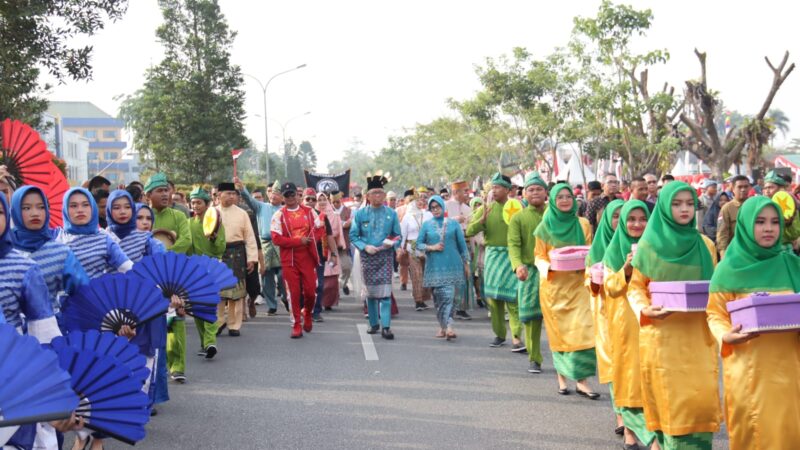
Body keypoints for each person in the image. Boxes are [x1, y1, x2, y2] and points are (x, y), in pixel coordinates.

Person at [628, 181, 721, 449]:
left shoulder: (706, 245)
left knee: (698, 404)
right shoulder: (649, 246)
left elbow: (715, 286)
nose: (684, 209)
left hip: (698, 337)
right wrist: (644, 309)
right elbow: (635, 288)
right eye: (677, 204)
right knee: (669, 406)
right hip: (662, 336)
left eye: (689, 204)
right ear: (665, 208)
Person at [706, 196, 800, 449]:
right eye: (760, 222)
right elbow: (715, 314)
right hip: (747, 369)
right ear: (746, 225)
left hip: (791, 370)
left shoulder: (793, 265)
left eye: (774, 222)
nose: (768, 228)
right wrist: (725, 334)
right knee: (754, 437)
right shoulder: (728, 269)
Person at [534, 183, 598, 398]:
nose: (564, 200)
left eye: (567, 196)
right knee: (560, 335)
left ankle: (582, 380)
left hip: (579, 285)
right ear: (552, 200)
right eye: (559, 197)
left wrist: (587, 262)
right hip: (554, 288)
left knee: (584, 331)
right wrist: (550, 266)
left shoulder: (583, 224)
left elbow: (591, 250)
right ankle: (561, 376)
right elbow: (539, 256)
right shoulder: (545, 227)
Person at [601, 200, 655, 449]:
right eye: (631, 219)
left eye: (642, 219)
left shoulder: (657, 245)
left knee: (650, 374)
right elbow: (609, 288)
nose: (637, 224)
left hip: (652, 317)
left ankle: (653, 429)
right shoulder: (613, 251)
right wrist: (627, 267)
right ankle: (630, 431)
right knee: (628, 375)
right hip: (624, 321)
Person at [9, 186, 88, 333]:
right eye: (26, 208)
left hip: (52, 333)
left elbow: (82, 295)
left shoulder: (61, 253)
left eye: (40, 207)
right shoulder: (6, 252)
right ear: (15, 211)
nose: (35, 213)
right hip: (12, 339)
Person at [467, 173, 524, 350]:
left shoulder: (516, 208)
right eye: (493, 187)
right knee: (494, 300)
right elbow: (469, 230)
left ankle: (516, 337)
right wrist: (481, 220)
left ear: (508, 190)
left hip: (511, 256)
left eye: (498, 187)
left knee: (513, 298)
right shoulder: (485, 208)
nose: (495, 190)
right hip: (492, 257)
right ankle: (499, 334)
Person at [585, 199, 624, 426]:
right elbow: (588, 284)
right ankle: (621, 415)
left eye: (624, 215)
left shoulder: (644, 246)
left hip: (636, 315)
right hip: (606, 313)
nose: (621, 221)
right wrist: (596, 280)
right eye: (616, 216)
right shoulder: (598, 247)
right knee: (614, 363)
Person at [349, 173, 402, 340]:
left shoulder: (391, 214)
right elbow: (353, 235)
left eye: (380, 192)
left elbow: (397, 235)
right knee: (371, 294)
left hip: (385, 256)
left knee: (385, 293)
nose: (378, 196)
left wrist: (391, 243)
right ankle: (373, 323)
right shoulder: (360, 214)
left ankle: (386, 327)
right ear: (368, 196)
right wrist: (365, 246)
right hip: (368, 256)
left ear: (385, 195)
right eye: (374, 193)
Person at [271, 182, 326, 338]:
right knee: (293, 293)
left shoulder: (309, 212)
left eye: (292, 194)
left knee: (310, 292)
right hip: (289, 260)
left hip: (307, 257)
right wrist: (297, 242)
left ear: (298, 195)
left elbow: (320, 228)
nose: (290, 198)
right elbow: (276, 238)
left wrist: (310, 239)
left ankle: (307, 312)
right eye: (287, 195)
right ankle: (296, 324)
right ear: (283, 197)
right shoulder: (279, 215)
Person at [507, 172, 548, 373]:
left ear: (546, 192)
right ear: (524, 194)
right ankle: (535, 357)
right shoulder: (518, 218)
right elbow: (513, 245)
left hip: (555, 272)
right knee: (532, 318)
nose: (535, 193)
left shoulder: (554, 214)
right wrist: (518, 266)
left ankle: (565, 359)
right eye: (530, 190)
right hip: (530, 272)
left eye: (539, 189)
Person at [416, 195, 470, 340]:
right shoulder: (427, 225)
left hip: (453, 266)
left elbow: (462, 245)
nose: (435, 210)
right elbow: (418, 244)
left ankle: (449, 327)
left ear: (443, 207)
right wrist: (431, 247)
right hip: (434, 268)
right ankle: (442, 326)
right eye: (432, 208)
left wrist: (466, 263)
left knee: (450, 298)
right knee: (439, 300)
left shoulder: (453, 224)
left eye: (438, 207)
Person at [55, 187, 133, 279]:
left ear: (92, 207)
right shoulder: (57, 237)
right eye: (73, 206)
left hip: (96, 292)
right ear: (65, 210)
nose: (80, 210)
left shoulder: (103, 239)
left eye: (85, 205)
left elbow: (128, 267)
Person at [187, 187, 226, 358]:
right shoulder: (188, 224)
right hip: (193, 271)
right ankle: (205, 343)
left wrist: (214, 237)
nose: (195, 205)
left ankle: (211, 341)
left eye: (198, 202)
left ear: (207, 204)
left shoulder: (216, 223)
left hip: (212, 268)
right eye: (193, 202)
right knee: (196, 309)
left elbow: (221, 248)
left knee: (209, 306)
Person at [215, 182, 258, 337]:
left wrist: (252, 258)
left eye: (234, 194)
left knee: (238, 291)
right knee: (218, 291)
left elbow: (250, 237)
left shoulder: (242, 213)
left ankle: (234, 324)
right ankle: (219, 322)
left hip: (238, 253)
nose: (232, 196)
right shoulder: (212, 212)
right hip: (218, 253)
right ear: (219, 195)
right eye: (228, 193)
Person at [239, 180, 285, 315]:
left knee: (283, 275)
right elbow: (248, 199)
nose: (273, 196)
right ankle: (272, 305)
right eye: (271, 193)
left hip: (281, 245)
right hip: (264, 245)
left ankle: (284, 297)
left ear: (282, 197)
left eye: (277, 194)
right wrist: (242, 188)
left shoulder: (285, 210)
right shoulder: (260, 207)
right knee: (266, 277)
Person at [301, 189, 338, 321]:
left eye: (313, 199)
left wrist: (334, 254)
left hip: (318, 257)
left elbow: (329, 236)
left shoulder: (322, 216)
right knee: (302, 286)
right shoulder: (296, 216)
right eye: (308, 199)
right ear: (302, 200)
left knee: (319, 285)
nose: (310, 201)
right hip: (301, 257)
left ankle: (316, 312)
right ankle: (302, 309)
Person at [400, 190, 432, 310]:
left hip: (426, 245)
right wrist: (401, 247)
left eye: (421, 200)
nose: (420, 202)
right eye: (417, 200)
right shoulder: (407, 217)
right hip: (412, 246)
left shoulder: (428, 214)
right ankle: (418, 300)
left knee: (425, 273)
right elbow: (403, 234)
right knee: (416, 273)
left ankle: (423, 299)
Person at [445, 180, 473, 320]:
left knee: (465, 275)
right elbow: (439, 223)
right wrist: (455, 220)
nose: (467, 194)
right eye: (465, 191)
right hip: (451, 246)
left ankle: (462, 308)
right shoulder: (445, 206)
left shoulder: (468, 208)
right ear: (456, 192)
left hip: (466, 244)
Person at [145, 173, 192, 254]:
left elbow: (186, 240)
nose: (165, 194)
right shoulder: (141, 217)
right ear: (149, 196)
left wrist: (165, 254)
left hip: (173, 264)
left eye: (166, 190)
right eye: (160, 190)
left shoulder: (179, 215)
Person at [317, 192, 345, 311]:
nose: (322, 202)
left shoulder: (335, 215)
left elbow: (339, 232)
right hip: (318, 249)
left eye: (324, 199)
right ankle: (318, 302)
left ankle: (328, 302)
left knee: (332, 280)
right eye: (319, 200)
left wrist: (340, 246)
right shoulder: (313, 215)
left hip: (331, 249)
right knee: (319, 279)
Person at [717, 175, 751, 257]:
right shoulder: (727, 208)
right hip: (735, 253)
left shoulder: (754, 205)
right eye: (739, 187)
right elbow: (722, 234)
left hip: (752, 252)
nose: (743, 189)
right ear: (733, 189)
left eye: (746, 187)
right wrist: (723, 255)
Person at [763, 169, 800, 244]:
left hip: (785, 249)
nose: (767, 191)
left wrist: (788, 223)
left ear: (781, 189)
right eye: (765, 188)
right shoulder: (761, 206)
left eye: (770, 187)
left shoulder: (789, 205)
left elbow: (795, 233)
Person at [332, 191, 353, 296]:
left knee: (347, 267)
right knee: (332, 270)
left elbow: (351, 223)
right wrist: (343, 223)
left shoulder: (348, 211)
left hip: (344, 245)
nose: (335, 204)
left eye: (337, 201)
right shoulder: (328, 211)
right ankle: (334, 293)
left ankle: (341, 284)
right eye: (333, 202)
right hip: (330, 246)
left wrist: (344, 224)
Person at [395, 189, 415, 290]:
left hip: (413, 240)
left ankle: (415, 281)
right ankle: (403, 282)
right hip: (402, 239)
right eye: (409, 199)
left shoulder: (417, 211)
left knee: (414, 262)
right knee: (403, 263)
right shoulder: (399, 210)